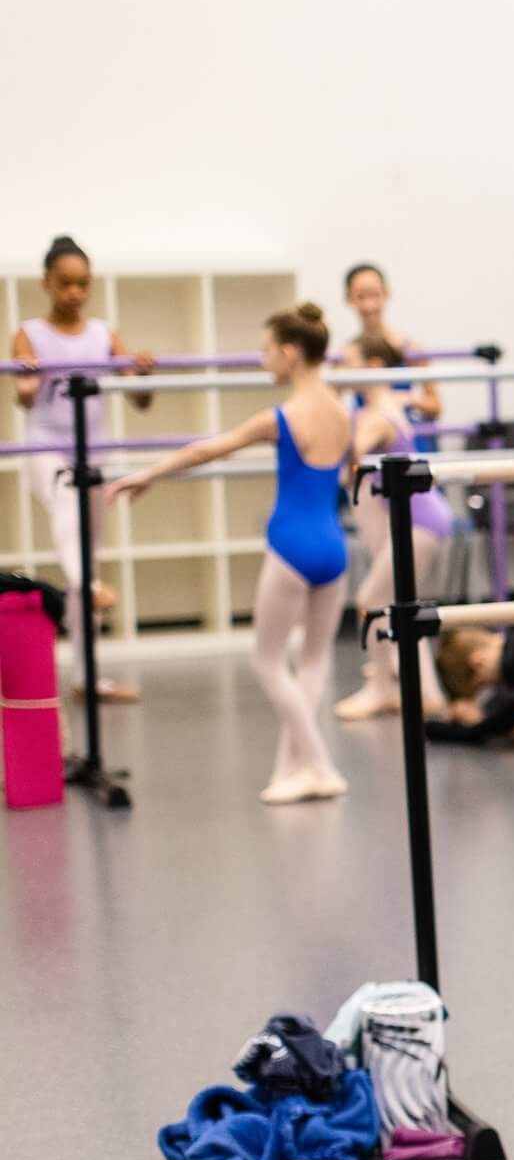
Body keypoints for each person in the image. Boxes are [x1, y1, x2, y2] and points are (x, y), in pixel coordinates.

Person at [110, 304, 358, 803]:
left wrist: (149, 474)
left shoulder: (283, 417)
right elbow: (351, 472)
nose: (264, 361)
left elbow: (207, 450)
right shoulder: (342, 412)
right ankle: (294, 767)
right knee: (311, 663)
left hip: (290, 546)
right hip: (333, 546)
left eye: (267, 352)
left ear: (290, 354)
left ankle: (321, 766)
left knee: (267, 663)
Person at [10, 235, 155, 701]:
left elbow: (139, 400)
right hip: (44, 450)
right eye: (65, 284)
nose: (75, 293)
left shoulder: (102, 334)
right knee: (68, 512)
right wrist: (28, 376)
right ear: (47, 283)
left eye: (83, 284)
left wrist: (142, 373)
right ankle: (89, 585)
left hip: (93, 455)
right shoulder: (30, 331)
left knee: (84, 552)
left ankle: (87, 679)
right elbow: (24, 396)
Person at [336, 336, 452, 719]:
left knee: (372, 599)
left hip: (421, 520)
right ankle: (428, 693)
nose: (339, 367)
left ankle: (380, 689)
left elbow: (355, 454)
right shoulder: (384, 405)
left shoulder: (376, 414)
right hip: (422, 516)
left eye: (346, 361)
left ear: (371, 366)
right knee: (401, 601)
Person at [340, 264, 442, 422]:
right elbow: (329, 403)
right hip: (366, 435)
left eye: (375, 295)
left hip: (406, 436)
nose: (369, 305)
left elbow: (436, 407)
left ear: (386, 294)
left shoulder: (411, 348)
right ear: (349, 299)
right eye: (361, 296)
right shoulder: (346, 354)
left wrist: (408, 399)